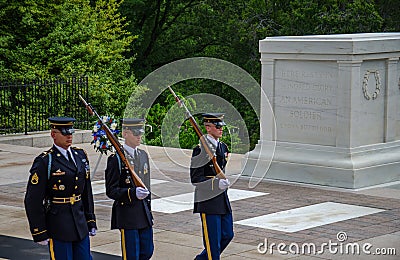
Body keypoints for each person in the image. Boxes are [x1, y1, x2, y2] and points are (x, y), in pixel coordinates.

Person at [24, 116, 97, 260]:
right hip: (58, 224)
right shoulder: (45, 161)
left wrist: (90, 219)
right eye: (64, 133)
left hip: (79, 223)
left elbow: (86, 191)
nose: (69, 136)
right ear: (53, 134)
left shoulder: (80, 155)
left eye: (71, 132)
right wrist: (39, 230)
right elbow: (33, 199)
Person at [105, 118, 153, 260]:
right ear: (125, 134)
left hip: (143, 213)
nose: (139, 136)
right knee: (132, 255)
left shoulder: (143, 155)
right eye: (135, 133)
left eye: (140, 133)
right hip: (127, 214)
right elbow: (111, 190)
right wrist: (132, 193)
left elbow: (147, 185)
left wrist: (149, 211)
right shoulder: (116, 159)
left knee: (147, 251)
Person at [190, 113, 234, 260]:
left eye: (221, 126)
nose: (221, 129)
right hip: (208, 201)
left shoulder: (222, 147)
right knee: (212, 243)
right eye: (217, 126)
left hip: (222, 200)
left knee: (228, 234)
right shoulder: (200, 149)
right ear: (208, 128)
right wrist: (216, 184)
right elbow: (196, 179)